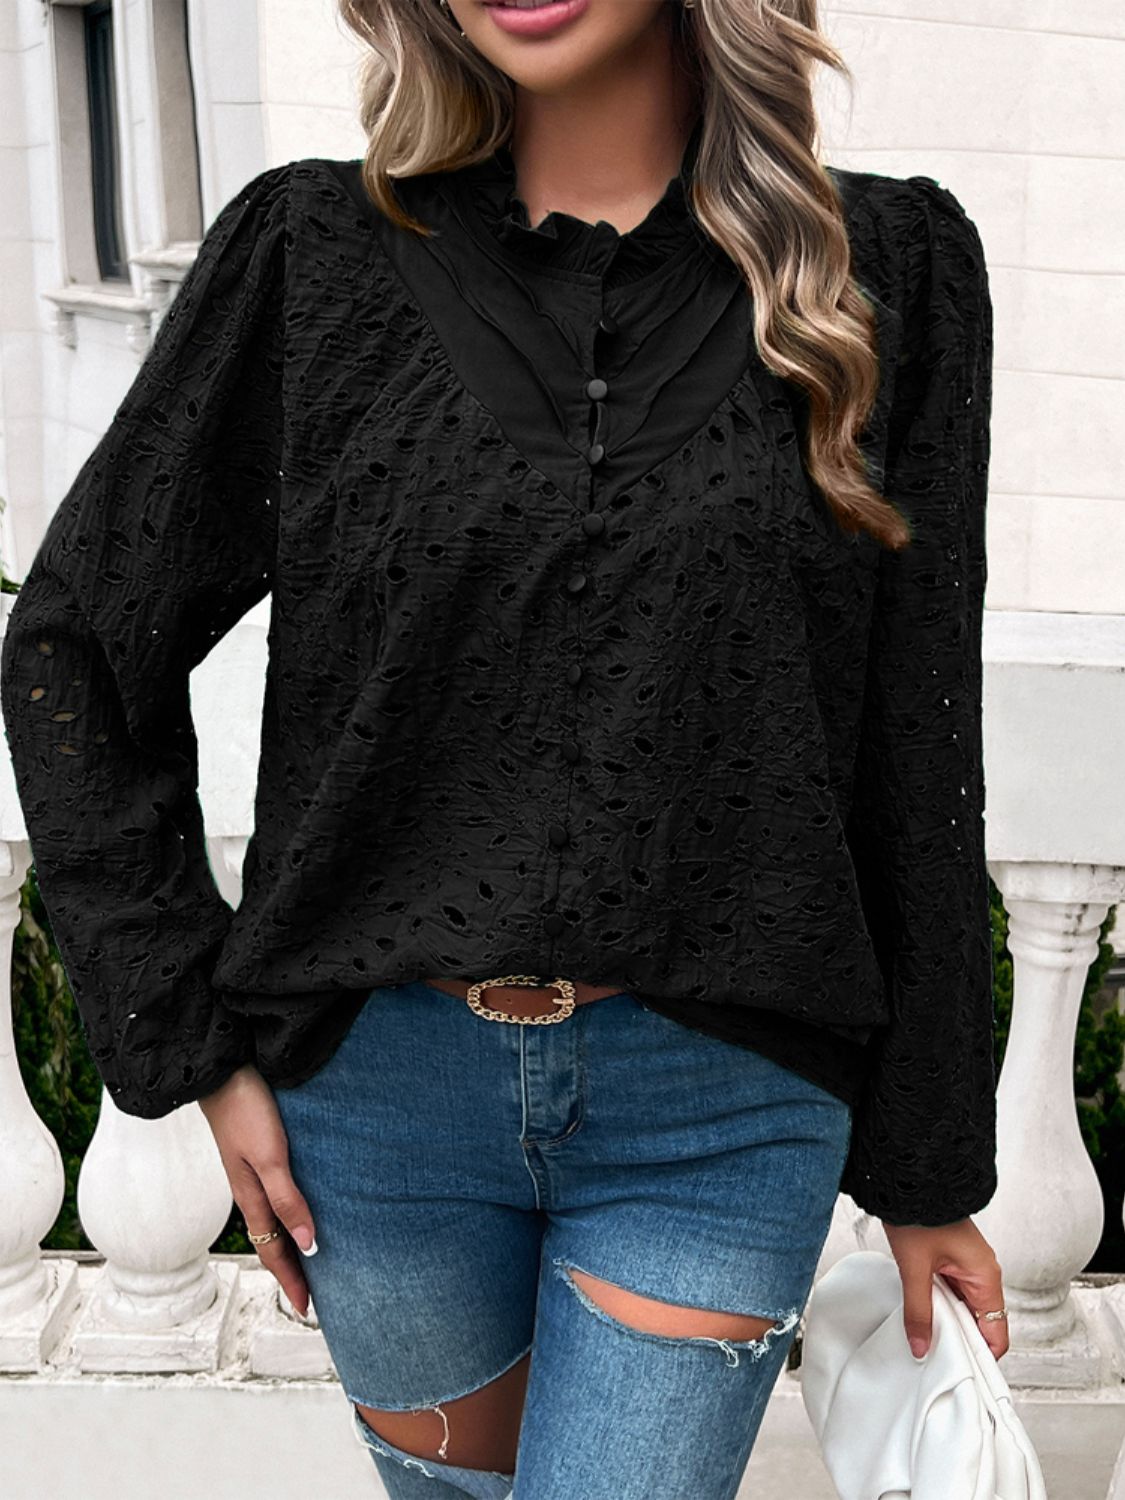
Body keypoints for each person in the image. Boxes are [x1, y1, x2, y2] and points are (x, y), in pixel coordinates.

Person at [0, 0, 1010, 1495]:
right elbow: (76, 642)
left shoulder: (891, 271)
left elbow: (915, 738)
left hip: (718, 1113)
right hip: (377, 1113)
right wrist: (189, 1042)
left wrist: (927, 1166)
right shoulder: (307, 257)